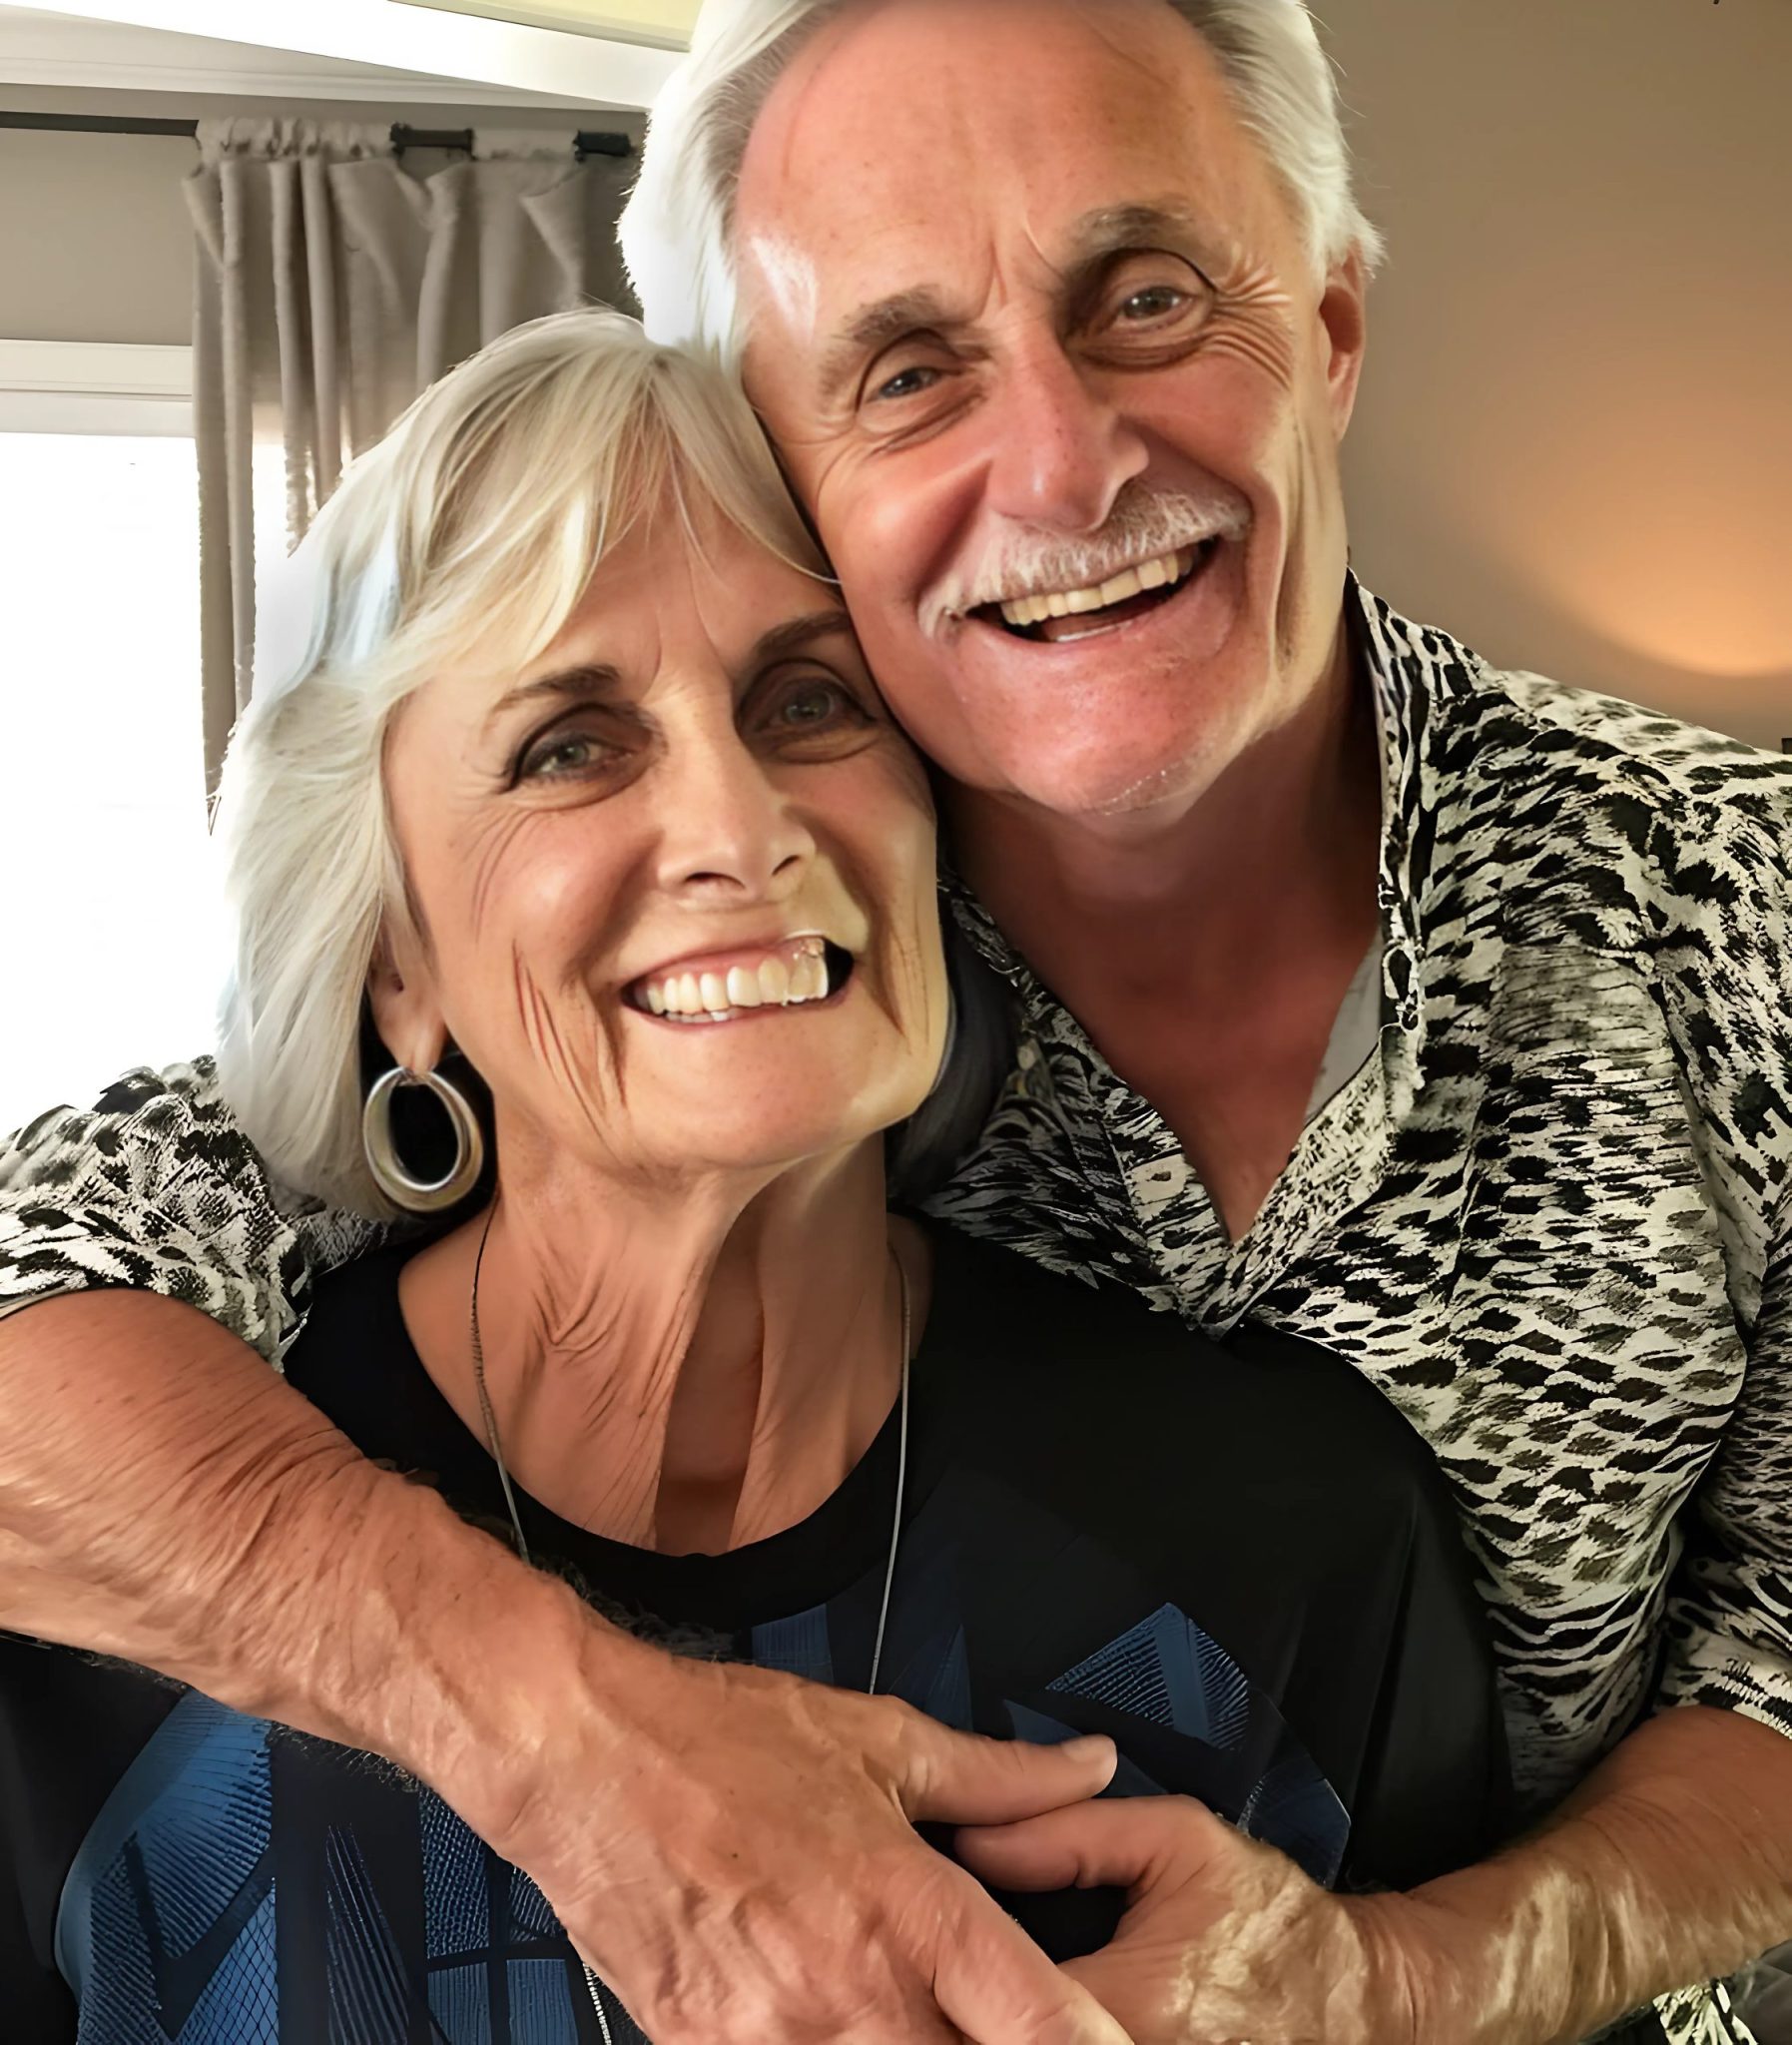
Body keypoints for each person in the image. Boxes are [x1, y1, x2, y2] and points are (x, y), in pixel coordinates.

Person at [0, 0, 1787, 2040]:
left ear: (1331, 331)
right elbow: (53, 1266)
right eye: (910, 368)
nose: (1064, 464)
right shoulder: (725, 968)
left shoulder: (1738, 907)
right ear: (788, 458)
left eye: (1145, 296)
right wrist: (590, 1757)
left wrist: (1404, 1979)